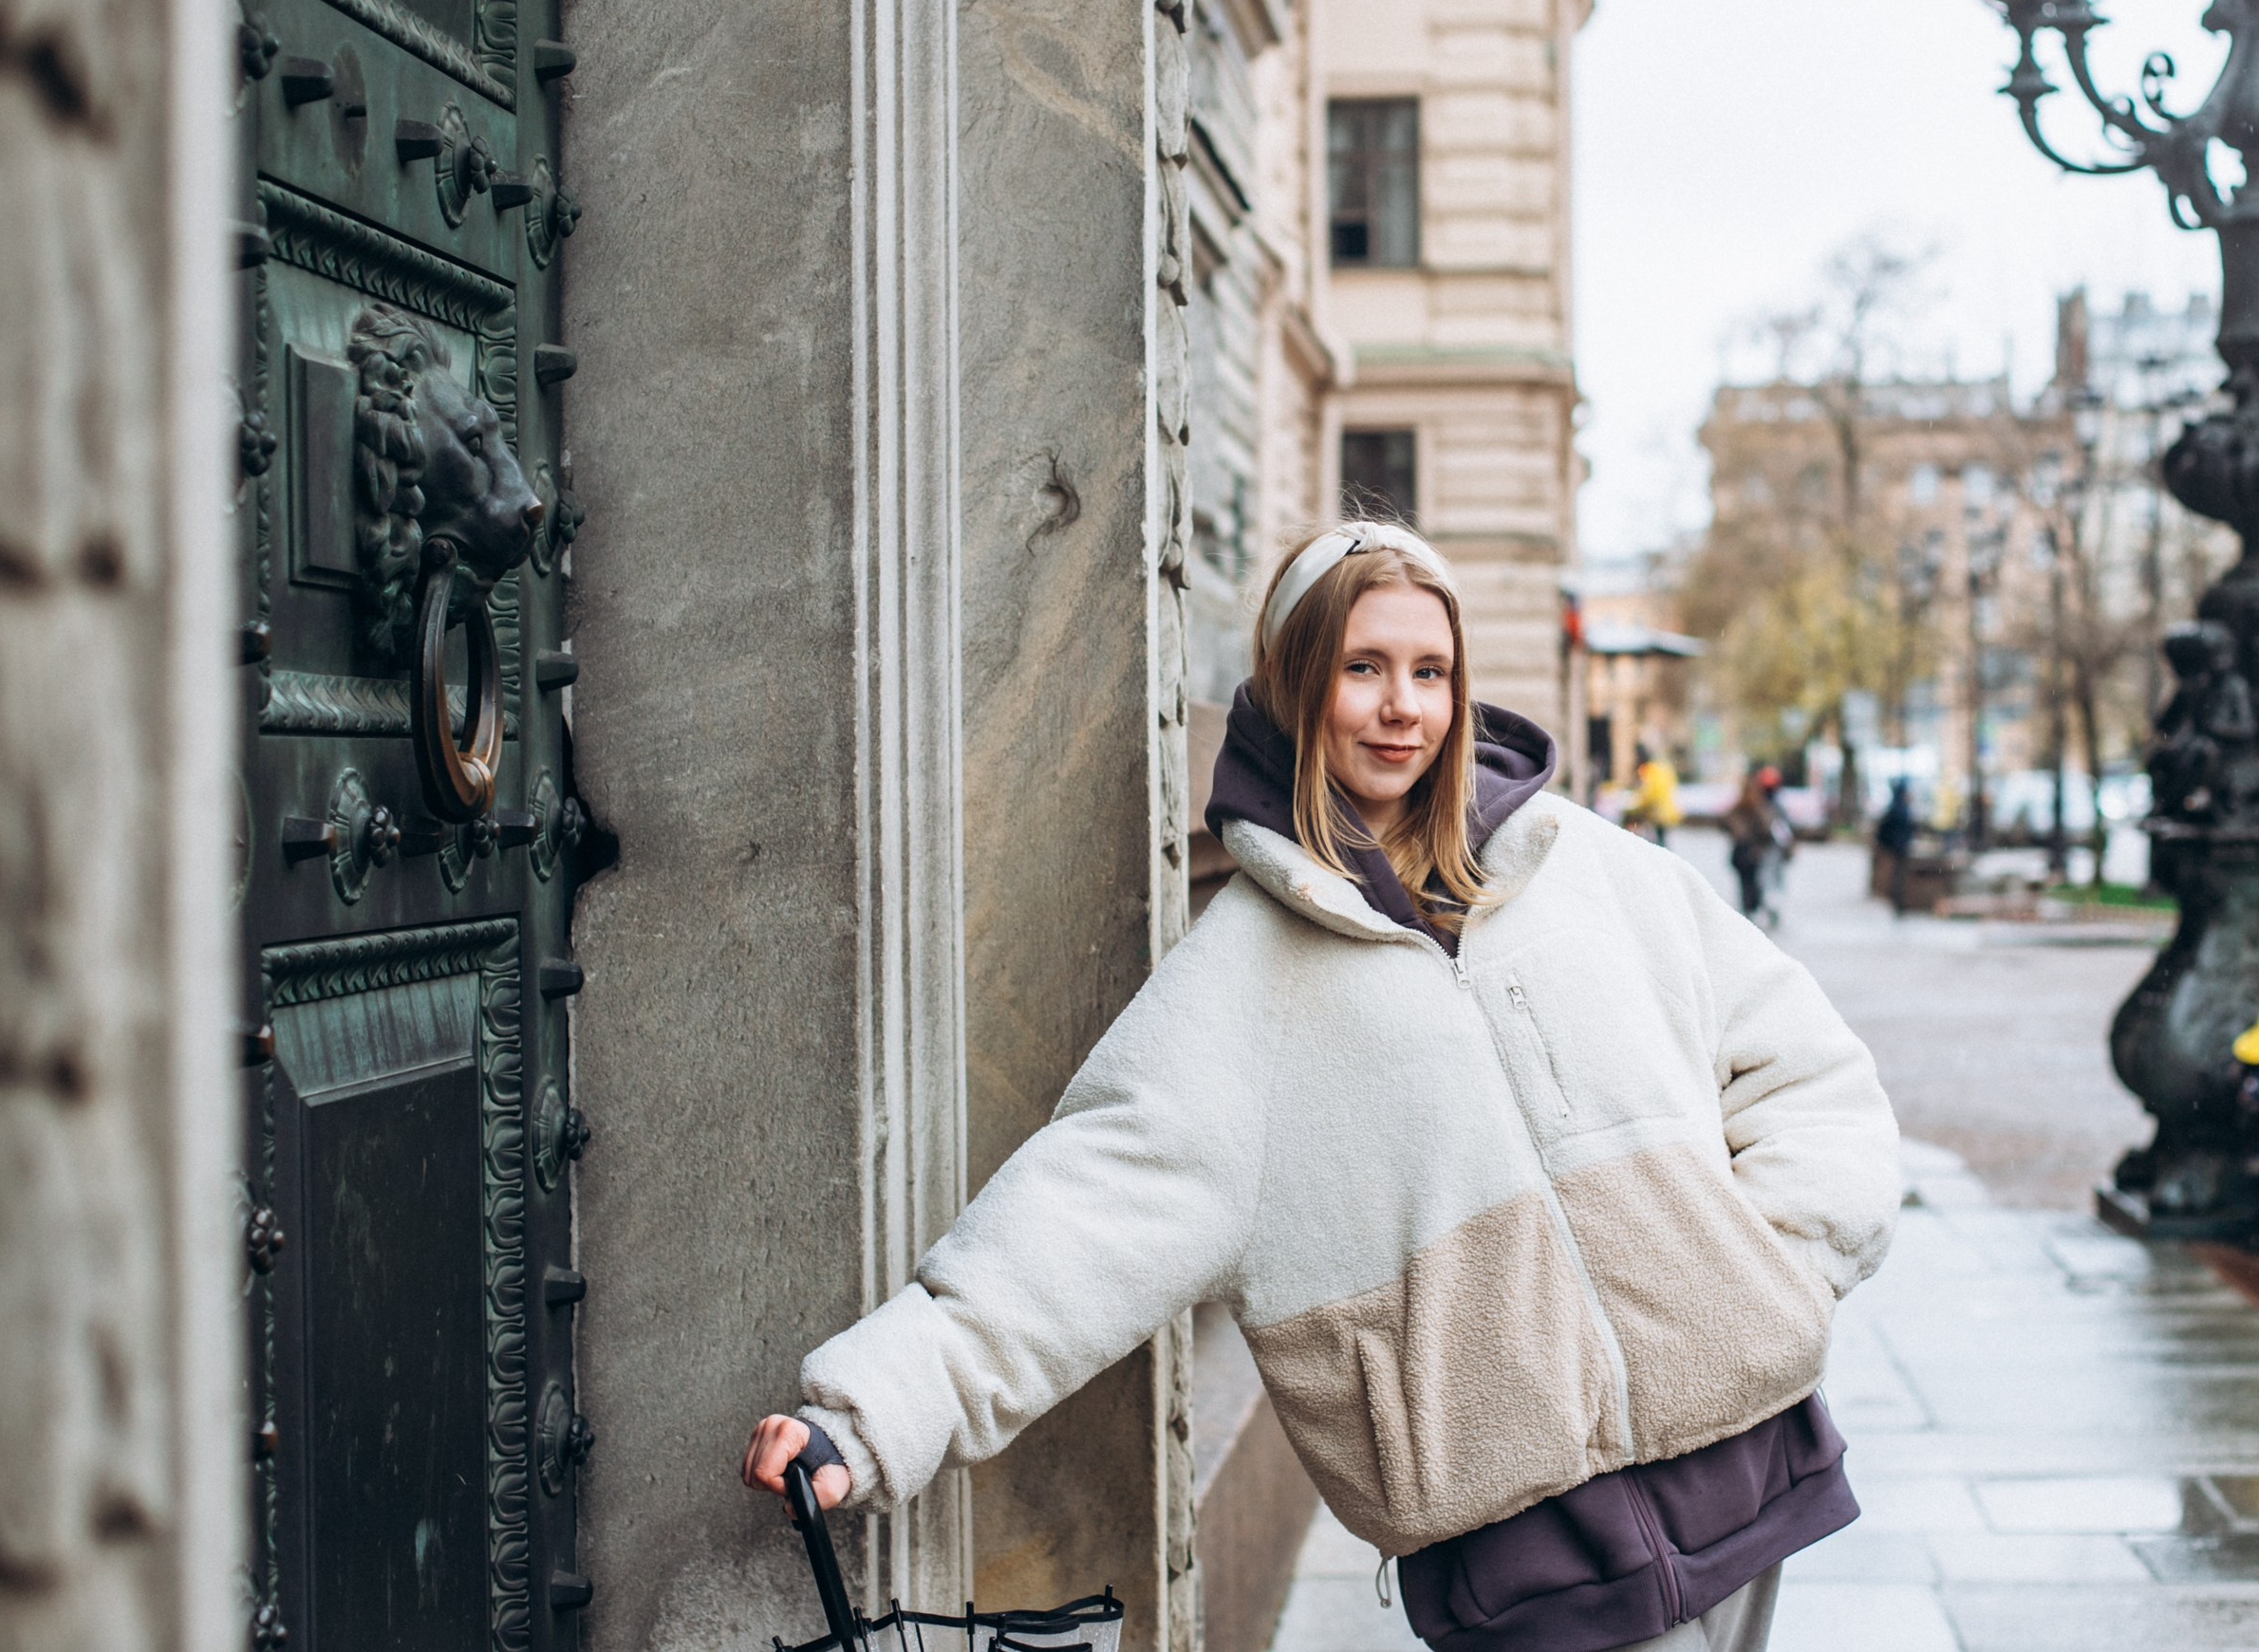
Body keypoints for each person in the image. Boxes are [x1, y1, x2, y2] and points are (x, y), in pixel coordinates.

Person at [743, 521, 1899, 1652]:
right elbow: (1077, 1223)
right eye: (1364, 669)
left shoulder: (1595, 874)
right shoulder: (1241, 983)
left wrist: (1774, 1281)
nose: (1403, 706)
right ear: (1299, 689)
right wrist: (868, 1414)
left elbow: (1808, 1072)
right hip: (1526, 1570)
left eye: (1430, 671)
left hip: (1756, 1473)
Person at [1724, 769, 1791, 929]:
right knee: (1761, 882)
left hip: (1748, 853)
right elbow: (1772, 830)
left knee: (1751, 884)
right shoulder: (1763, 807)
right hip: (1754, 853)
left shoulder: (1754, 807)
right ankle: (1757, 910)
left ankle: (1752, 911)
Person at [1621, 745, 1683, 849]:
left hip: (1658, 812)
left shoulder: (1649, 770)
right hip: (1668, 810)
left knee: (1658, 842)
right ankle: (1664, 858)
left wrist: (1636, 804)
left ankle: (1662, 860)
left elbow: (1649, 793)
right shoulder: (1661, 767)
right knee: (1661, 839)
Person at [1873, 779, 1916, 915]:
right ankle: (1898, 902)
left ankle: (1898, 901)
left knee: (1898, 875)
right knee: (1898, 876)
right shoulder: (1900, 809)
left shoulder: (1897, 807)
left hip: (1898, 846)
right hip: (1899, 847)